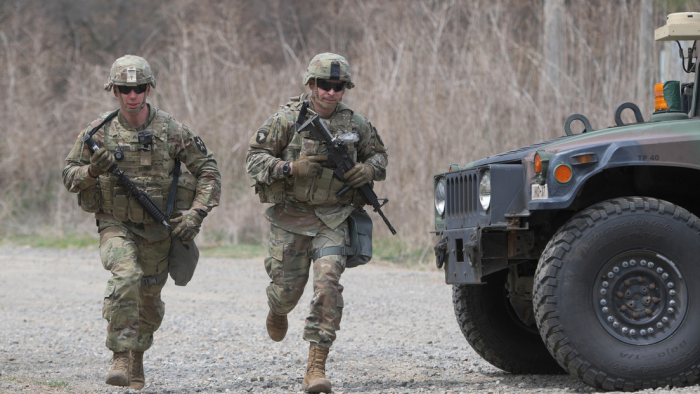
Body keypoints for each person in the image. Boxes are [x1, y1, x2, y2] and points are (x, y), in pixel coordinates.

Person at [62, 55, 221, 389]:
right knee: (126, 276)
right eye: (124, 89)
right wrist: (92, 171)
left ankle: (137, 357)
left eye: (137, 88)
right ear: (114, 91)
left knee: (149, 299)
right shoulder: (96, 133)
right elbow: (69, 175)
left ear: (148, 89)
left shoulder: (172, 131)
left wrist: (196, 213)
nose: (132, 95)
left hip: (158, 229)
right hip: (115, 224)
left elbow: (208, 170)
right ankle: (120, 354)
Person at [246, 53, 388, 393]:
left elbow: (379, 157)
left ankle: (316, 367)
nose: (330, 92)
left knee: (328, 284)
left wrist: (367, 170)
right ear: (311, 85)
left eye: (338, 86)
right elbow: (254, 159)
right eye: (324, 85)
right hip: (291, 218)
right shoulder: (287, 120)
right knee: (286, 292)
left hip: (334, 217)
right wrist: (290, 169)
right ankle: (277, 308)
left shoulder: (356, 124)